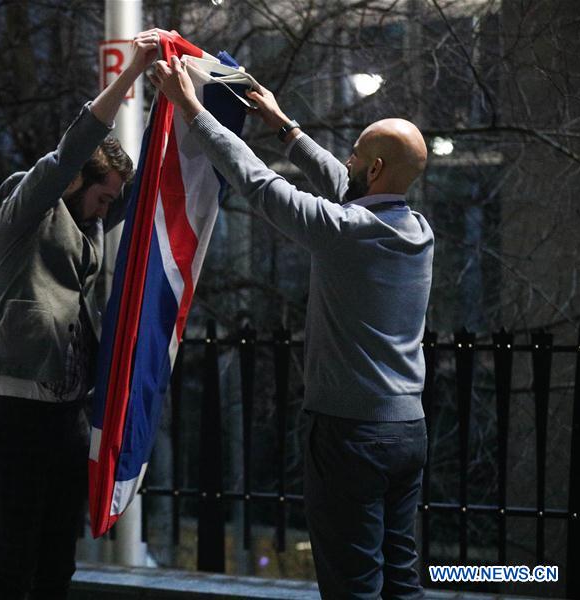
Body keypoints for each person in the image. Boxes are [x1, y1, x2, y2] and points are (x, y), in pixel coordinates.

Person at [150, 56, 433, 599]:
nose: (346, 160)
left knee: (352, 585)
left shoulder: (345, 232)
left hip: (351, 434)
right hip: (408, 430)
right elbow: (345, 185)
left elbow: (257, 184)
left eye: (355, 153)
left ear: (373, 169)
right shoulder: (418, 231)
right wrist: (285, 126)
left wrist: (190, 109)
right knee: (402, 579)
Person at [0, 29, 162, 600]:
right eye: (102, 197)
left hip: (66, 419)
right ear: (77, 183)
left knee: (57, 569)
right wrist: (131, 74)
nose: (108, 208)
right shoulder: (24, 208)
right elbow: (73, 149)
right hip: (14, 415)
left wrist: (177, 98)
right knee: (12, 570)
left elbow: (150, 179)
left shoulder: (89, 225)